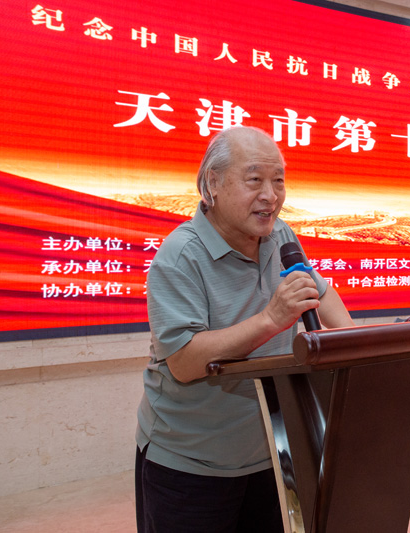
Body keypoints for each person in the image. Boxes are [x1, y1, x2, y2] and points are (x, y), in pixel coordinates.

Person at [135, 126, 354, 532]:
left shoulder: (279, 234)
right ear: (213, 183)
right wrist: (272, 319)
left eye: (278, 181)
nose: (271, 195)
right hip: (193, 464)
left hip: (272, 449)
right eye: (255, 180)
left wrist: (358, 348)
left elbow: (320, 292)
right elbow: (183, 362)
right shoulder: (180, 256)